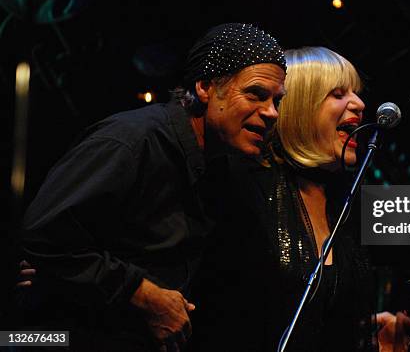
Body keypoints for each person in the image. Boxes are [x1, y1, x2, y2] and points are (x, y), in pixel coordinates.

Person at [18, 23, 287, 351]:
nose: (271, 112)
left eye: (277, 100)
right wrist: (143, 293)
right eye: (256, 94)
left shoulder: (221, 167)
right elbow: (45, 235)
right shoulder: (132, 141)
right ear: (204, 87)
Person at [191, 46, 402, 351]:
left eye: (356, 93)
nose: (359, 103)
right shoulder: (238, 184)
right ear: (300, 106)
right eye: (338, 94)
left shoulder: (347, 200)